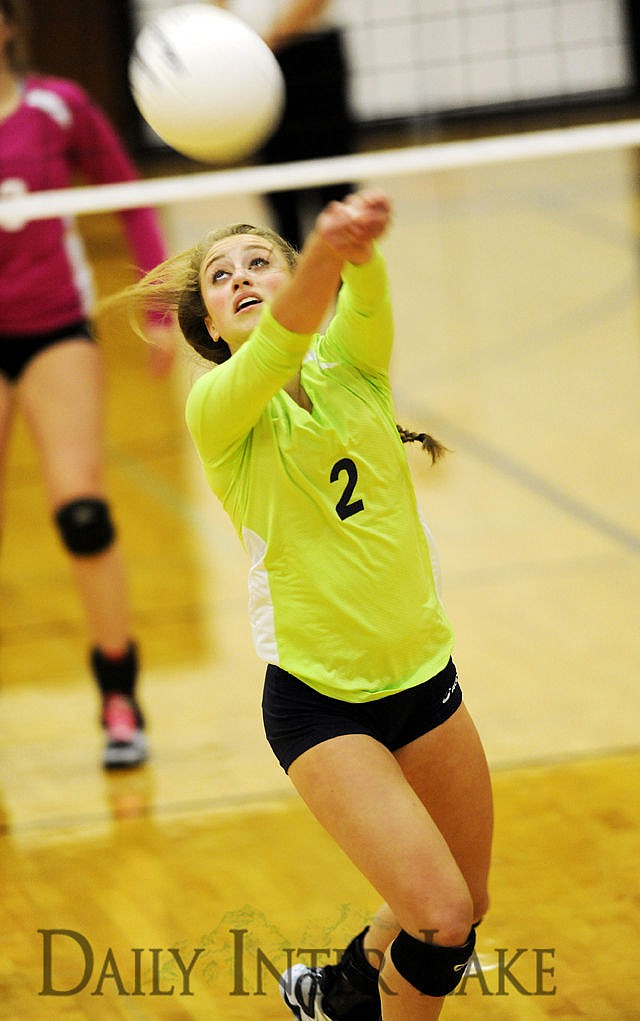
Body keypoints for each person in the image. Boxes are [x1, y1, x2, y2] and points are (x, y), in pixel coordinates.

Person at [111, 188, 493, 1020]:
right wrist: (320, 250)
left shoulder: (355, 368)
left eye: (259, 263)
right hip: (322, 704)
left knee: (466, 904)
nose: (241, 278)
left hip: (423, 675)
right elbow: (281, 341)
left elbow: (367, 293)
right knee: (440, 918)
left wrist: (358, 244)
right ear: (208, 324)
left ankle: (340, 987)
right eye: (220, 276)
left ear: (294, 284)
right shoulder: (218, 410)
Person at [0, 0, 175, 769]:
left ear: (7, 24)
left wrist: (161, 302)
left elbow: (126, 193)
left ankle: (119, 695)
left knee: (81, 513)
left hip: (52, 329)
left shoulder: (56, 107)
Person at [226, 0, 355, 251]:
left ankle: (345, 284)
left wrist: (263, 47)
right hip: (253, 58)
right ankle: (290, 280)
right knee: (279, 189)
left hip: (309, 53)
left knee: (332, 185)